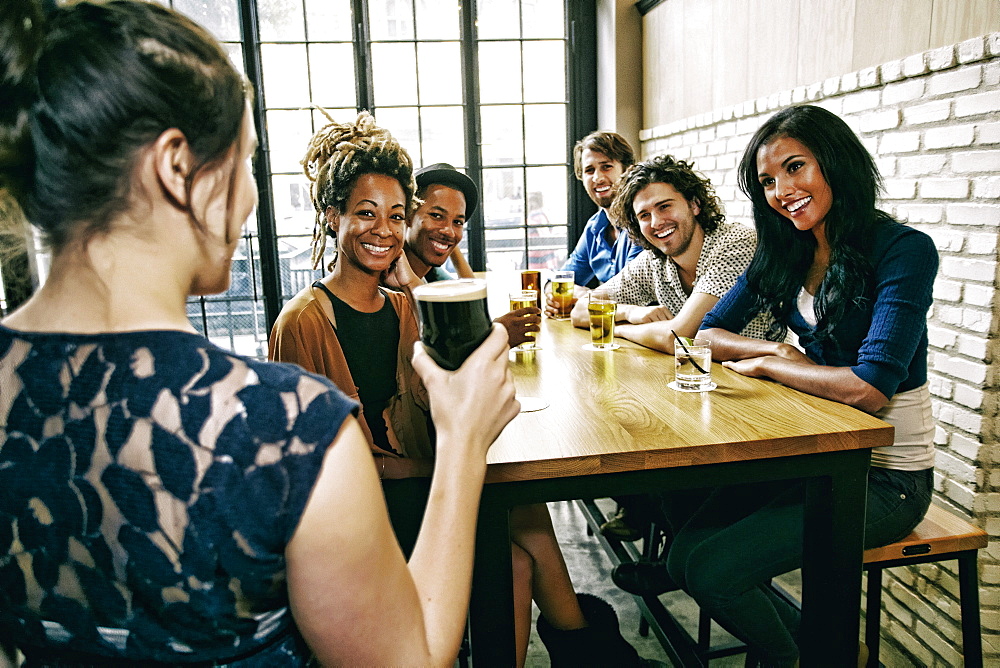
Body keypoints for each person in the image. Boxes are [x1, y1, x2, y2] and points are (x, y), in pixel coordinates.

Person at [0, 1, 519, 666]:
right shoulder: (285, 429)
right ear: (175, 166)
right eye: (243, 161)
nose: (248, 198)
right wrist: (463, 441)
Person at [268, 115, 650, 668]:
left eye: (395, 216)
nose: (383, 229)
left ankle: (587, 652)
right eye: (365, 214)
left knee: (521, 529)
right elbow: (312, 471)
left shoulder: (404, 305)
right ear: (333, 218)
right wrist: (450, 467)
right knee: (516, 547)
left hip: (412, 487)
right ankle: (593, 652)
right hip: (362, 517)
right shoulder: (304, 319)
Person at [673, 104, 937, 666]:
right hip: (814, 453)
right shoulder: (787, 248)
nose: (781, 190)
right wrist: (771, 347)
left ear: (835, 163)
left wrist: (772, 366)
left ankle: (799, 657)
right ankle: (828, 649)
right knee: (684, 558)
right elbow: (710, 333)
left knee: (717, 573)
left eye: (795, 168)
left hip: (886, 479)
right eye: (767, 180)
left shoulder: (903, 251)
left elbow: (869, 389)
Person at [570, 154, 768, 353]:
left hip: (760, 377)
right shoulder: (654, 261)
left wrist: (618, 328)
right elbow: (579, 311)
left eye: (664, 206)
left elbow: (678, 337)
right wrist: (629, 312)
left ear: (694, 204)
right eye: (644, 215)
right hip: (693, 376)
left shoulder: (736, 243)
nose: (656, 223)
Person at [404, 162, 540, 349]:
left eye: (458, 221)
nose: (449, 230)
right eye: (437, 215)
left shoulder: (431, 274)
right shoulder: (392, 277)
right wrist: (494, 336)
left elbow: (472, 306)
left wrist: (449, 241)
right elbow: (437, 350)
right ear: (407, 215)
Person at [544, 130, 642, 317]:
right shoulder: (594, 227)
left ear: (627, 170)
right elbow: (561, 279)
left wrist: (581, 295)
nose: (597, 178)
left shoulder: (642, 223)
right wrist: (553, 295)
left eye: (606, 167)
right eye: (590, 171)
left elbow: (628, 295)